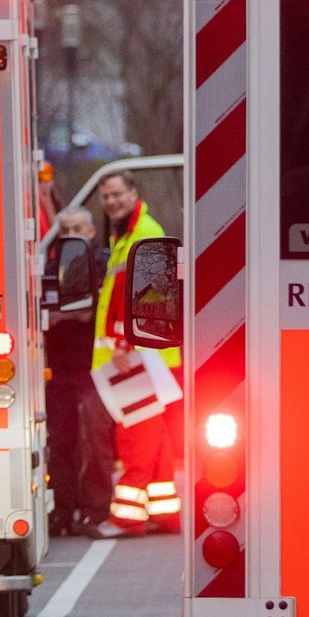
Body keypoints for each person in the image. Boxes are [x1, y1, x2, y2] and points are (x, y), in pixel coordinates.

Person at [91, 170, 182, 537]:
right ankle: (165, 512)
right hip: (147, 356)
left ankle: (127, 518)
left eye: (116, 194)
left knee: (136, 438)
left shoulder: (143, 234)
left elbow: (149, 298)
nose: (111, 201)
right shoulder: (130, 235)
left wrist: (124, 344)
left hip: (138, 356)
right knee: (154, 439)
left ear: (133, 193)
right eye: (105, 196)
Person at [45, 206, 113, 536]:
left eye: (77, 228)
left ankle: (96, 509)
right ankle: (64, 510)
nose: (70, 234)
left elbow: (88, 312)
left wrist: (61, 316)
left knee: (95, 439)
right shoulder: (49, 267)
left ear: (90, 232)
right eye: (65, 229)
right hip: (58, 366)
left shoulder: (102, 263)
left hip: (92, 365)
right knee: (60, 440)